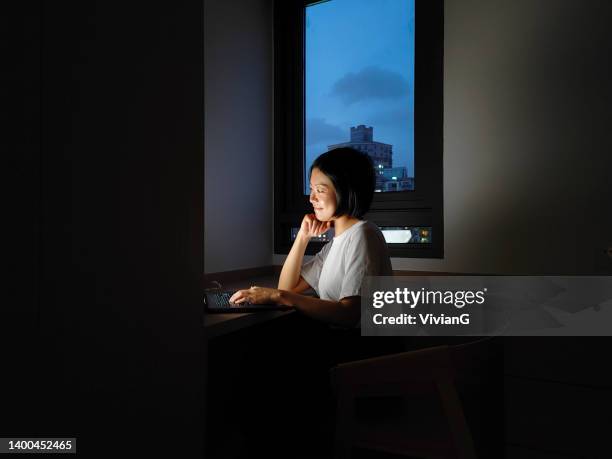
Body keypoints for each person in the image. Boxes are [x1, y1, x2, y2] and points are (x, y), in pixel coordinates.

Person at [230, 147, 393, 329]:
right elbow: (286, 288)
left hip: (365, 350)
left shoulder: (363, 234)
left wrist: (278, 296)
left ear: (345, 191)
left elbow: (349, 314)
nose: (312, 198)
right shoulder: (334, 245)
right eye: (311, 189)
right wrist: (303, 236)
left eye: (320, 190)